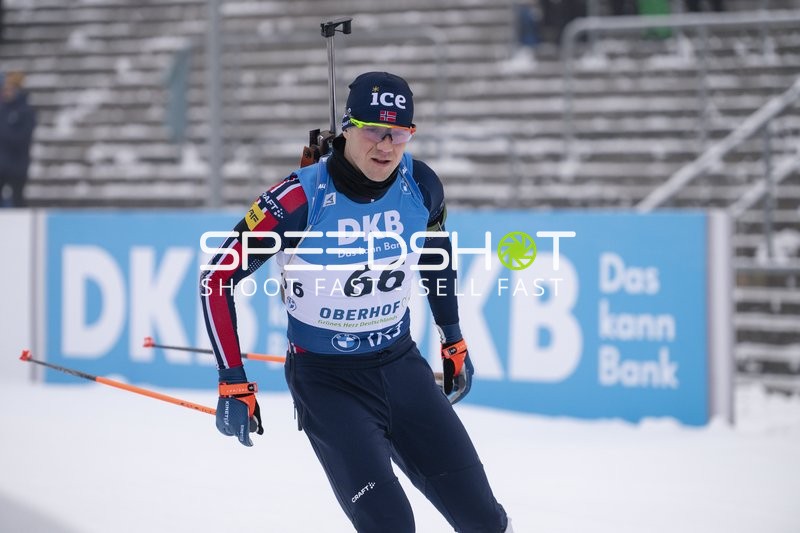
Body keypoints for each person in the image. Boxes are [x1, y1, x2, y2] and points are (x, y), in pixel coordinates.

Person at [200, 72, 512, 532]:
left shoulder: (422, 185)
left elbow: (436, 260)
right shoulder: (298, 197)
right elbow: (217, 277)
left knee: (484, 521)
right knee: (391, 524)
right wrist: (232, 379)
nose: (385, 146)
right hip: (329, 385)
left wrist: (454, 338)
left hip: (402, 369)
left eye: (399, 133)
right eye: (372, 131)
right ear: (348, 127)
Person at [0, 71, 37, 208]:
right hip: (1, 165)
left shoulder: (25, 111)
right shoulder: (2, 109)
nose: (6, 93)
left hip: (17, 165)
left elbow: (23, 137)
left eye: (9, 89)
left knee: (17, 200)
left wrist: (4, 132)